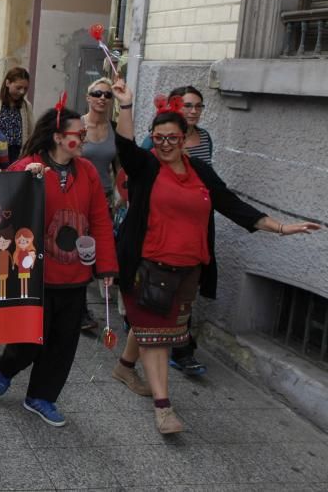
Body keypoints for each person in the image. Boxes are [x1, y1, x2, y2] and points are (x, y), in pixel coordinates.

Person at [110, 79, 319, 434]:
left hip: (188, 270)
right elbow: (126, 146)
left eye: (171, 138)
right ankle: (164, 409)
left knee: (154, 325)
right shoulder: (146, 168)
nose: (164, 144)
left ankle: (124, 366)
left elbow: (231, 205)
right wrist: (126, 105)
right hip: (148, 265)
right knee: (157, 337)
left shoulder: (201, 173)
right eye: (158, 138)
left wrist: (281, 228)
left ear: (184, 137)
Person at [0, 101, 118, 428]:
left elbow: (100, 221)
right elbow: (1, 211)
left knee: (63, 342)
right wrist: (27, 182)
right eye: (79, 134)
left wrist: (106, 268)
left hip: (74, 275)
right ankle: (7, 366)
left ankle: (41, 396)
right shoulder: (27, 167)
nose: (84, 139)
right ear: (59, 137)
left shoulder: (86, 171)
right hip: (36, 276)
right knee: (30, 340)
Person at [140, 85, 213, 375]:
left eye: (198, 106)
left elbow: (211, 182)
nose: (193, 111)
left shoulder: (205, 139)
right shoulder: (153, 145)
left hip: (195, 221)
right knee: (156, 307)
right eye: (188, 106)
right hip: (161, 230)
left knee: (177, 298)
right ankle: (164, 391)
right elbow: (132, 174)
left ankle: (133, 362)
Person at [78, 78, 119, 332]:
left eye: (107, 95)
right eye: (97, 93)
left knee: (98, 249)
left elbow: (119, 168)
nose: (102, 98)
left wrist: (120, 196)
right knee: (79, 251)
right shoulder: (77, 125)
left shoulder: (114, 129)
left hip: (104, 198)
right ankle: (80, 309)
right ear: (88, 96)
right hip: (79, 196)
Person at [0, 67, 33, 163]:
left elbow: (31, 131)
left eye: (25, 88)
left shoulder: (26, 106)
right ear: (7, 83)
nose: (22, 92)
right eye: (18, 88)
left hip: (18, 154)